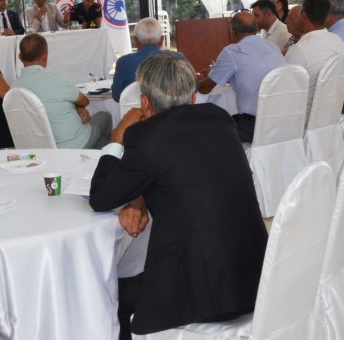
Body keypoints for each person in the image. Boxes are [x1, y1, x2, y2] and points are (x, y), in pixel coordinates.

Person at [88, 52, 268, 337]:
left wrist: (117, 137)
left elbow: (101, 198)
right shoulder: (220, 119)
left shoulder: (145, 137)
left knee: (108, 297)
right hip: (257, 281)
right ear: (193, 98)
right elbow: (180, 170)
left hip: (203, 295)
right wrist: (139, 197)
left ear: (144, 103)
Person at [197, 12, 285, 143]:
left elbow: (205, 89)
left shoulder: (233, 51)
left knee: (208, 127)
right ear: (256, 28)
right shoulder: (273, 47)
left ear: (233, 31)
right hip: (281, 122)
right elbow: (249, 72)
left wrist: (197, 80)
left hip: (254, 126)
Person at [12, 34, 110, 149]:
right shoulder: (56, 79)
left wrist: (77, 107)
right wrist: (78, 106)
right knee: (105, 116)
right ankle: (102, 156)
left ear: (20, 57)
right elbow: (84, 101)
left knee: (98, 135)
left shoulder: (14, 87)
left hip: (39, 148)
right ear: (45, 57)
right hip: (74, 143)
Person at [284, 0, 344, 123]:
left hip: (304, 119)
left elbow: (287, 92)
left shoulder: (299, 50)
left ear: (304, 15)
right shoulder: (338, 41)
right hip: (332, 114)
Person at [111, 18, 163, 102]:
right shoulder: (177, 59)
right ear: (162, 40)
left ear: (135, 40)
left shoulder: (124, 62)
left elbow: (117, 96)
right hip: (169, 110)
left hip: (134, 110)